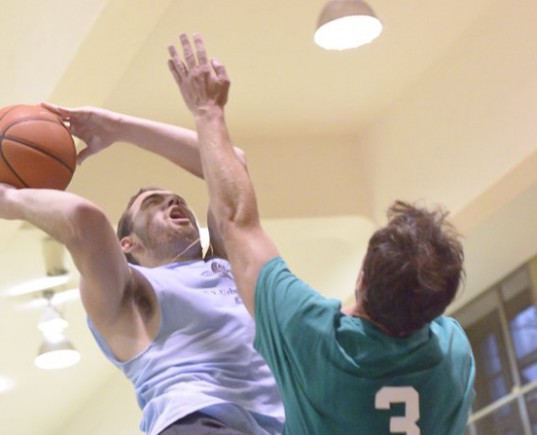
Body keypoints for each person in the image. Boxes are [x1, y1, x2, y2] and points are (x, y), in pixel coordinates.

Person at [167, 33, 476, 435]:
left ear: (361, 279)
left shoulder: (314, 335)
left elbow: (236, 219)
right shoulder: (453, 352)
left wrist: (208, 111)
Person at [0, 103, 284, 435]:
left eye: (177, 200)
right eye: (153, 204)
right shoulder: (131, 294)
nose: (173, 203)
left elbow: (232, 164)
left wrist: (120, 128)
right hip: (198, 419)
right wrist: (6, 201)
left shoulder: (227, 263)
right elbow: (82, 218)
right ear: (128, 244)